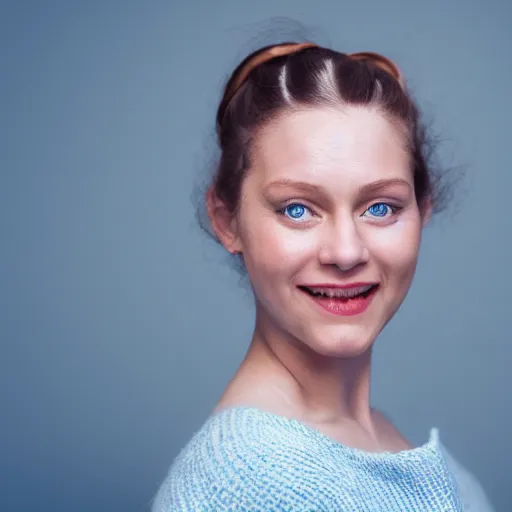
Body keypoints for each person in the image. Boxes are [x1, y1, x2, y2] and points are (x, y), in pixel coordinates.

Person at [152, 42, 494, 511]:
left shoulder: (378, 439)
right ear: (228, 219)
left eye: (380, 207)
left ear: (423, 207)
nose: (346, 252)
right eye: (297, 209)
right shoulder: (247, 481)